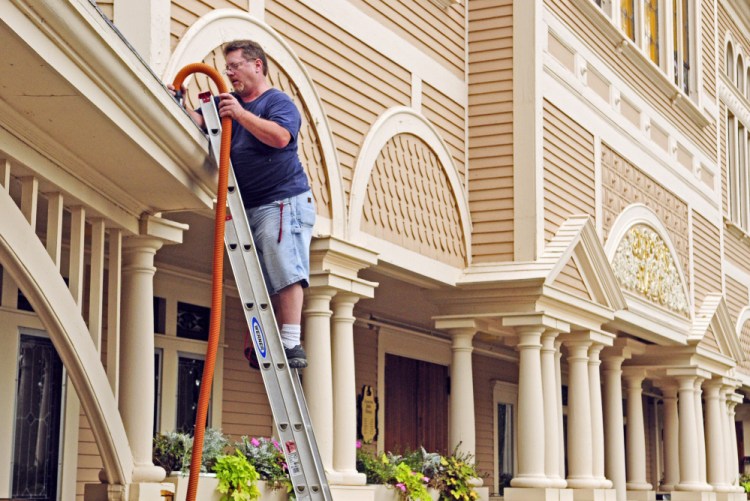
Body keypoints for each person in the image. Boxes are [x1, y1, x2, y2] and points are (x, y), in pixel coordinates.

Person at [169, 40, 314, 369]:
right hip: (250, 205)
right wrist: (176, 101)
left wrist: (240, 115)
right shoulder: (228, 103)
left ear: (257, 66)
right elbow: (198, 120)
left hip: (283, 200)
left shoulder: (276, 102)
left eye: (235, 66)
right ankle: (263, 339)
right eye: (227, 68)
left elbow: (279, 137)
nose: (230, 73)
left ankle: (291, 344)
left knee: (285, 269)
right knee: (260, 277)